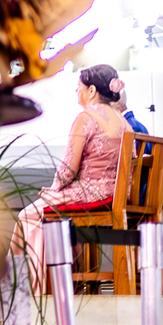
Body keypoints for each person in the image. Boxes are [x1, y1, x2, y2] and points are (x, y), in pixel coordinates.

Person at [13, 63, 127, 293]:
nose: (76, 90)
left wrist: (53, 189)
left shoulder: (86, 118)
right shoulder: (122, 121)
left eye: (79, 86)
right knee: (52, 213)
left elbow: (68, 171)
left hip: (90, 194)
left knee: (28, 215)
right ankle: (60, 284)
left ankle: (31, 290)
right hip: (115, 193)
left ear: (92, 90)